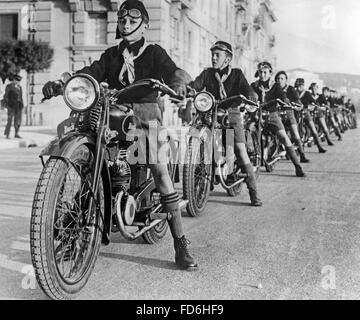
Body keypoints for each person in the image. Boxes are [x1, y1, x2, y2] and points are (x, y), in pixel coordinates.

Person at [43, 0, 197, 271]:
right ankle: (77, 219)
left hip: (146, 111)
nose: (126, 24)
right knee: (91, 153)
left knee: (159, 170)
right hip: (113, 111)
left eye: (132, 20)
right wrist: (65, 83)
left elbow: (175, 71)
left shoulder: (154, 52)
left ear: (144, 24)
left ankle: (181, 243)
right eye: (122, 20)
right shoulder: (111, 55)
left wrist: (178, 84)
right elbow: (91, 72)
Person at [188, 41, 262, 207]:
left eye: (217, 55)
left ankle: (254, 194)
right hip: (210, 114)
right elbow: (196, 84)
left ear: (227, 59)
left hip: (232, 114)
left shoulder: (237, 74)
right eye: (212, 54)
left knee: (241, 152)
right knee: (195, 133)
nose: (213, 58)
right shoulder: (207, 73)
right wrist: (189, 89)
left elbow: (247, 89)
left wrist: (251, 96)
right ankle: (198, 176)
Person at [251, 62, 306, 177]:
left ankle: (298, 166)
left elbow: (283, 97)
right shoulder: (254, 85)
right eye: (260, 72)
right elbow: (249, 96)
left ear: (270, 73)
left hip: (272, 115)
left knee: (284, 137)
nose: (262, 75)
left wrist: (286, 102)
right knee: (246, 130)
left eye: (265, 72)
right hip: (257, 115)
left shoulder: (275, 86)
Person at [275, 71, 310, 163]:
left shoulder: (290, 89)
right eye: (278, 79)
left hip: (289, 114)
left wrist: (297, 105)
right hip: (277, 114)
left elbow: (297, 100)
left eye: (282, 78)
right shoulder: (273, 89)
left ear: (286, 80)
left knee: (295, 133)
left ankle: (302, 155)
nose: (279, 80)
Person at [294, 78, 327, 154]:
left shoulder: (307, 93)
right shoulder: (294, 93)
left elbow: (313, 102)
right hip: (296, 113)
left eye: (301, 85)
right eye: (298, 85)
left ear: (303, 85)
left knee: (312, 127)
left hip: (306, 113)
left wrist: (311, 106)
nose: (299, 87)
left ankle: (319, 146)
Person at [3, 74, 24, 139]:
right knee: (10, 120)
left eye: (19, 81)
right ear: (14, 80)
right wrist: (6, 105)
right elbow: (5, 96)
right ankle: (7, 134)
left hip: (18, 105)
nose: (18, 82)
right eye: (17, 80)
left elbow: (20, 97)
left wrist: (22, 105)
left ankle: (16, 133)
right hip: (11, 105)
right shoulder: (9, 86)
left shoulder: (19, 87)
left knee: (18, 120)